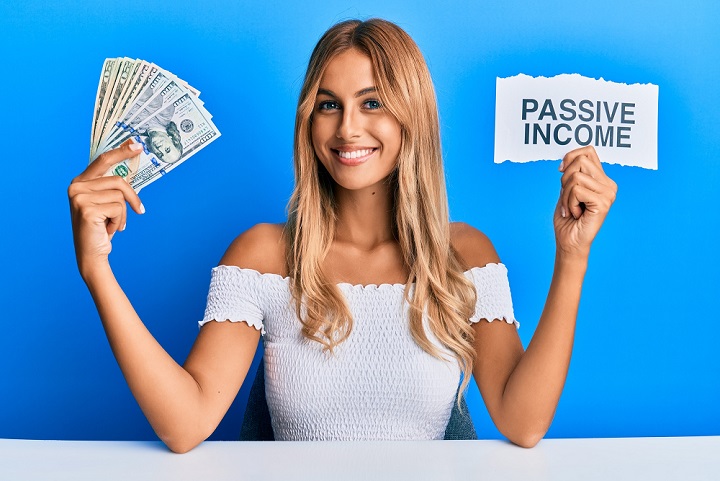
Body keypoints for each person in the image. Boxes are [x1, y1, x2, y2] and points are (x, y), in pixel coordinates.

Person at [68, 18, 617, 453]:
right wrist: (98, 270)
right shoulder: (263, 255)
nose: (348, 127)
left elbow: (522, 422)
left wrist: (572, 256)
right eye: (329, 104)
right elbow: (185, 425)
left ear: (412, 117)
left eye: (372, 102)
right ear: (309, 120)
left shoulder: (465, 255)